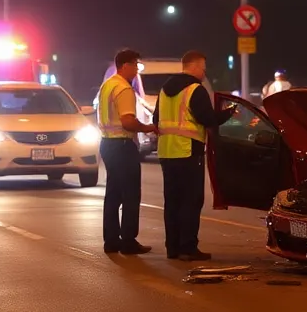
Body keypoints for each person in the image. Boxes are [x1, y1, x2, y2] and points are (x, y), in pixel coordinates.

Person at [152, 50, 233, 261]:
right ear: (195, 66)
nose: (204, 73)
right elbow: (209, 119)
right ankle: (188, 247)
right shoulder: (195, 90)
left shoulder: (164, 89)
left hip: (166, 153)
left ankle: (173, 248)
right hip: (188, 152)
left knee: (172, 201)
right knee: (191, 200)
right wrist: (230, 112)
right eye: (203, 68)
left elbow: (156, 119)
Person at [96, 48, 157, 255]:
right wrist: (150, 128)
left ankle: (111, 241)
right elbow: (128, 122)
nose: (136, 69)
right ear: (125, 65)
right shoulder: (123, 88)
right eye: (135, 64)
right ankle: (129, 241)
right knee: (130, 195)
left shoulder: (107, 85)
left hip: (107, 144)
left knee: (113, 195)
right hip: (122, 146)